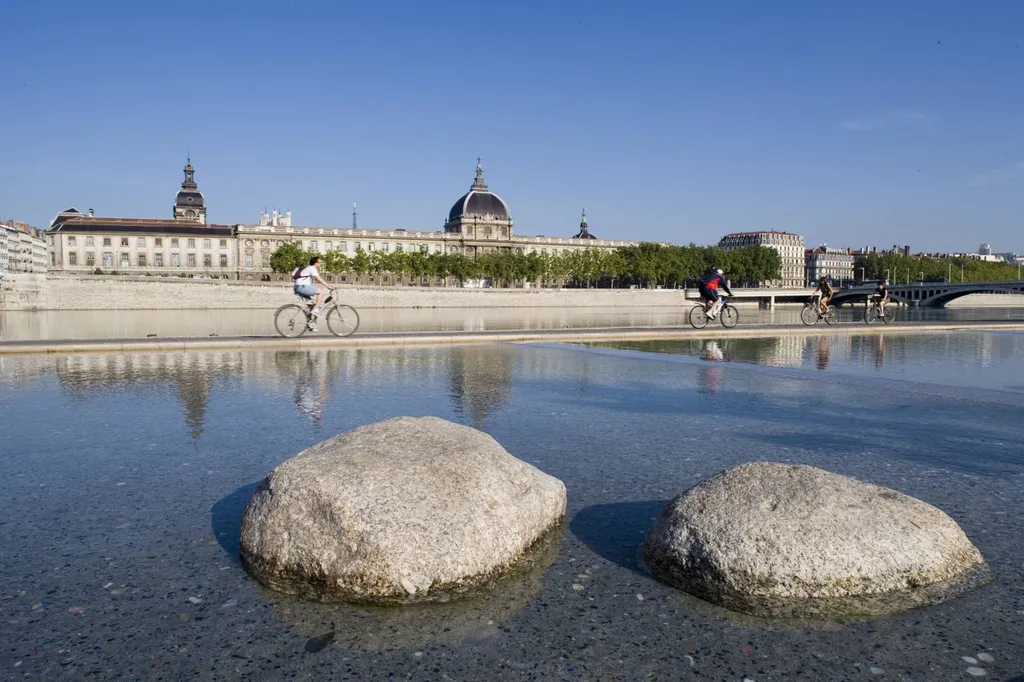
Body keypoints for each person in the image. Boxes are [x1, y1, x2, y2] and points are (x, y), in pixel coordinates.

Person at [292, 256, 331, 330]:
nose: (320, 264)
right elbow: (319, 279)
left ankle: (310, 324)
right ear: (315, 263)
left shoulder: (310, 268)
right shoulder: (312, 268)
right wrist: (328, 286)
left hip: (299, 287)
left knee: (311, 305)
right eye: (319, 262)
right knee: (320, 292)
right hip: (301, 287)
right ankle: (316, 310)